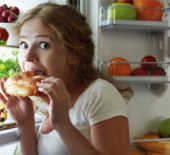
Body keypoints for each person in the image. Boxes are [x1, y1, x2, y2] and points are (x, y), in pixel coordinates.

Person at [0, 3, 131, 155]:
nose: (28, 56)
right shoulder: (54, 99)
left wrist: (63, 125)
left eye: (43, 45)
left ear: (73, 54)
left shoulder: (100, 94)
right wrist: (24, 122)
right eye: (24, 44)